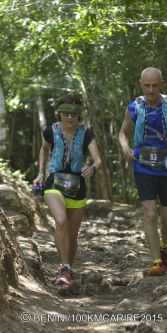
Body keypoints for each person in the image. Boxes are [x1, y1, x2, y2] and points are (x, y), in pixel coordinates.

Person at [118, 67, 167, 276]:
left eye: (155, 86)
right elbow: (123, 133)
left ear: (161, 84)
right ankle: (156, 261)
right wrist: (126, 148)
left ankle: (164, 244)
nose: (151, 90)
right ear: (141, 84)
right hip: (143, 166)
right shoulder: (134, 106)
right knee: (150, 213)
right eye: (147, 86)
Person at [33, 94, 102, 289]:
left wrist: (92, 168)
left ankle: (68, 270)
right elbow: (44, 150)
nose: (69, 118)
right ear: (59, 113)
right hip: (54, 182)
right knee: (61, 221)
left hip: (77, 187)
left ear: (79, 115)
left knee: (72, 235)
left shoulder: (86, 133)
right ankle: (63, 268)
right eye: (65, 113)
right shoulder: (50, 131)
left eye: (73, 114)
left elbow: (97, 159)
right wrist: (40, 173)